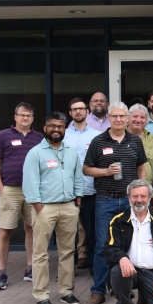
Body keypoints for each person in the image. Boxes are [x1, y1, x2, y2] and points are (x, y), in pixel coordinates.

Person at [82, 101, 147, 304]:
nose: (118, 120)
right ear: (109, 118)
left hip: (130, 202)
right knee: (103, 246)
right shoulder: (98, 141)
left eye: (122, 116)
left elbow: (141, 170)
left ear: (127, 119)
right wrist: (104, 172)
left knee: (129, 245)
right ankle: (98, 291)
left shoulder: (135, 142)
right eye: (115, 116)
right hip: (105, 199)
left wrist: (143, 193)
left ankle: (124, 286)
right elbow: (86, 169)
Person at [22, 112, 84, 304]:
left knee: (68, 251)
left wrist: (77, 203)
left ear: (65, 129)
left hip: (69, 207)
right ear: (45, 128)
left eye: (60, 126)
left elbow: (78, 179)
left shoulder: (72, 152)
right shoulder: (35, 153)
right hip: (44, 209)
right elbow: (30, 185)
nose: (56, 129)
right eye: (52, 126)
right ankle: (41, 295)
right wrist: (39, 209)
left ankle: (66, 292)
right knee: (40, 253)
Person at [0, 102, 44, 290]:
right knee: (5, 231)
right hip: (10, 190)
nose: (25, 118)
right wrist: (1, 188)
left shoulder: (39, 138)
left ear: (33, 118)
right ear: (15, 117)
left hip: (32, 190)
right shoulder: (3, 136)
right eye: (22, 115)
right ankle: (1, 273)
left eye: (29, 115)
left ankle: (30, 269)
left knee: (32, 229)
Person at [64, 97, 100, 271]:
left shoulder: (96, 136)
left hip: (90, 190)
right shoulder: (63, 135)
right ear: (70, 113)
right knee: (67, 233)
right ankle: (66, 269)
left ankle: (93, 267)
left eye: (81, 108)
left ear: (87, 112)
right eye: (74, 109)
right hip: (66, 192)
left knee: (91, 231)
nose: (78, 111)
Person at [127, 103, 153, 210]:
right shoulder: (120, 137)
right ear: (128, 118)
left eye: (142, 117)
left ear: (146, 120)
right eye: (135, 116)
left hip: (146, 196)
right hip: (123, 193)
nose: (138, 120)